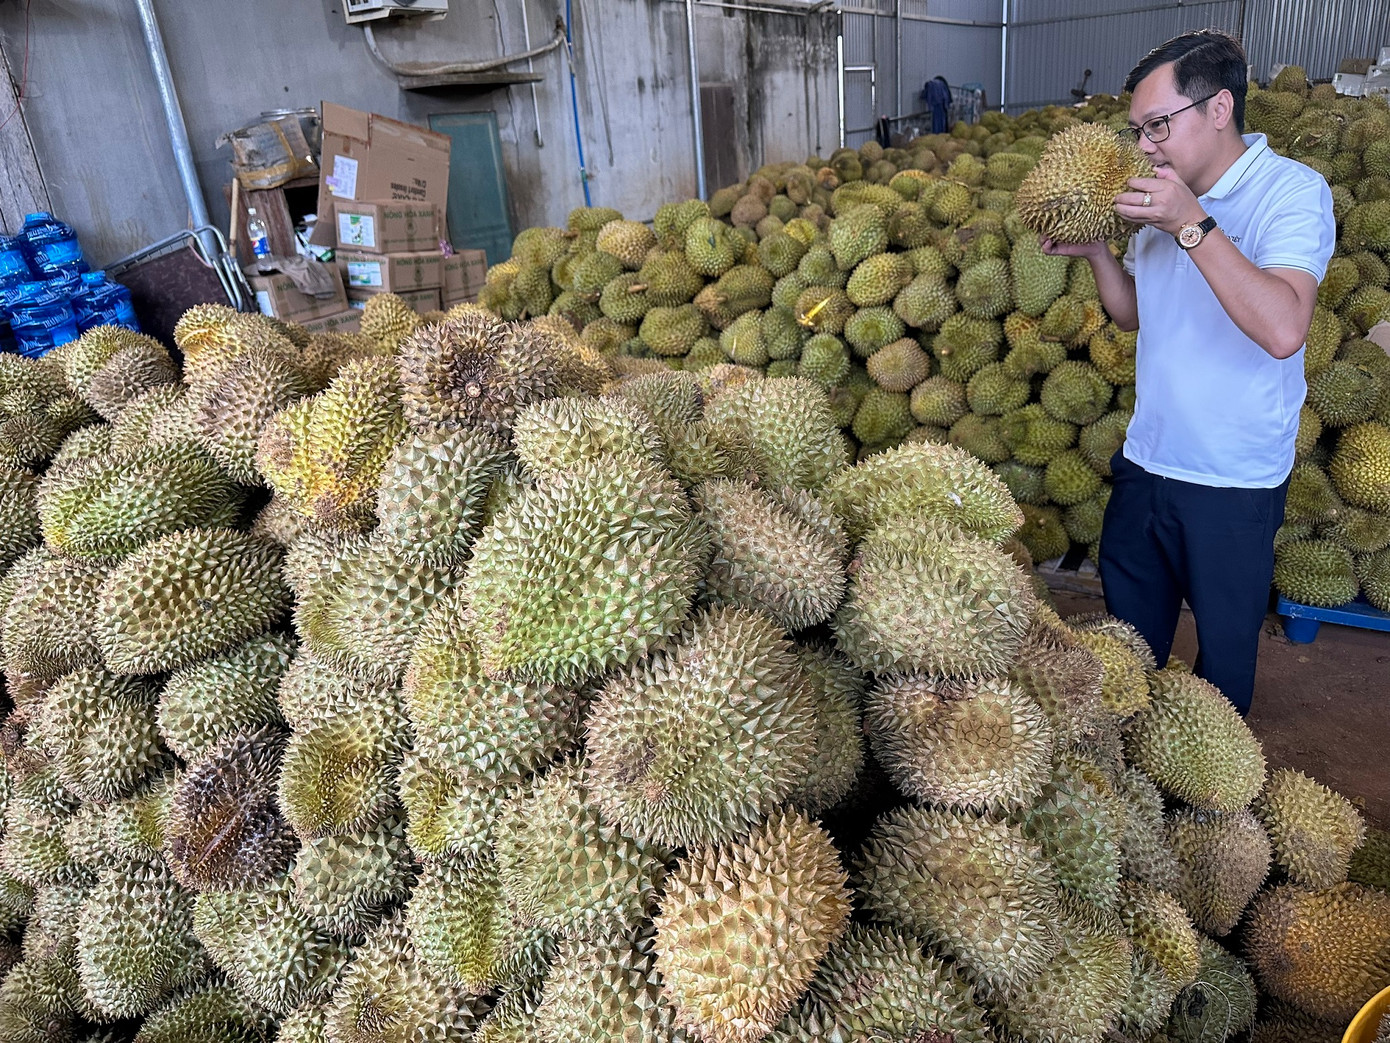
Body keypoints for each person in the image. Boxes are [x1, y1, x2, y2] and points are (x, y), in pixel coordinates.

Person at [1042, 29, 1335, 715]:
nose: (1144, 145)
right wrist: (1096, 255)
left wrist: (1192, 224)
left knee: (1221, 669)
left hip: (1231, 481)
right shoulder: (1160, 199)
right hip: (1147, 462)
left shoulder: (1290, 193)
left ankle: (1209, 809)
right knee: (1127, 650)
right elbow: (1134, 314)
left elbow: (1285, 327)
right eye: (1138, 129)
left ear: (1218, 108)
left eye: (1156, 126)